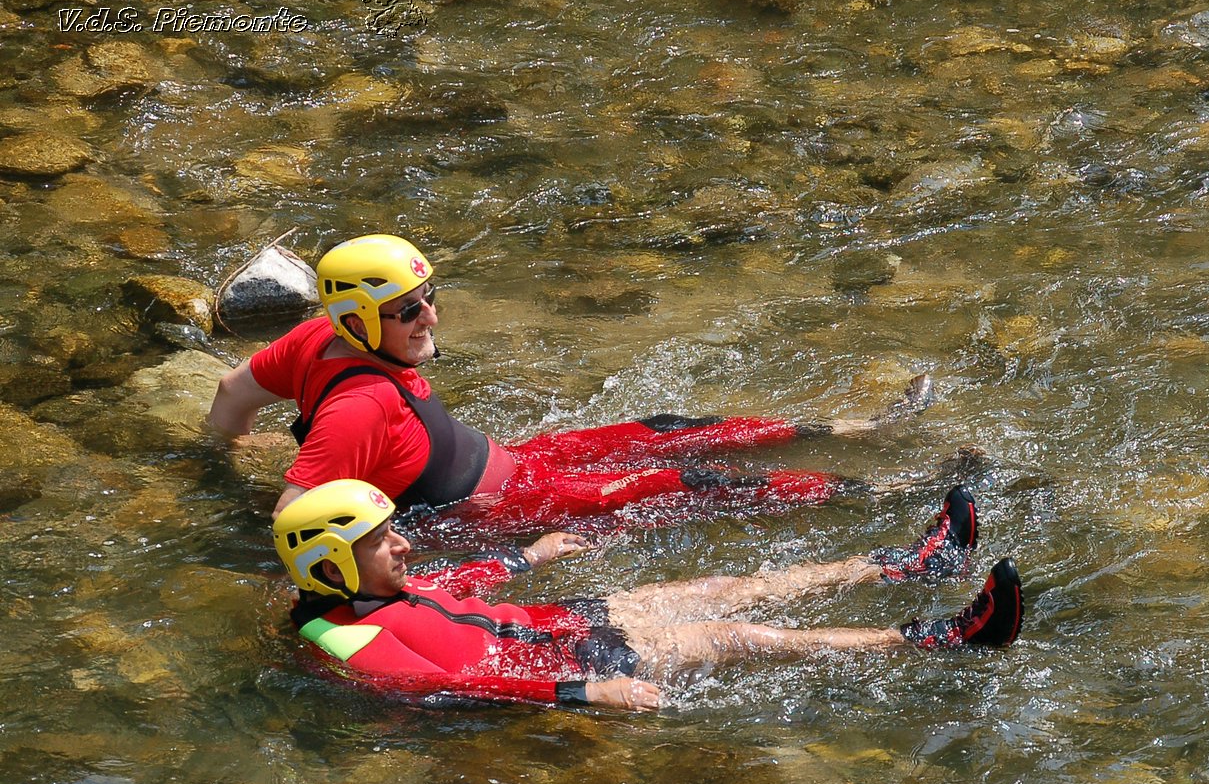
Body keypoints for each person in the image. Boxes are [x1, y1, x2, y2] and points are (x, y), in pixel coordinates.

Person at [210, 233, 934, 530]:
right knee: (700, 484)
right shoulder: (358, 410)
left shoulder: (316, 334)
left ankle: (860, 430)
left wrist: (227, 455)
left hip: (521, 456)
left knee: (668, 430)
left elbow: (231, 395)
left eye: (430, 297)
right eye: (407, 311)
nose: (430, 317)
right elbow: (294, 517)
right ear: (359, 319)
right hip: (503, 508)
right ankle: (892, 492)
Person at [273, 479, 1023, 711]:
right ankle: (941, 638)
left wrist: (525, 555)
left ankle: (906, 564)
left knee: (728, 586)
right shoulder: (347, 641)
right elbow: (464, 682)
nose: (401, 543)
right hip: (588, 656)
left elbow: (453, 584)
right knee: (739, 635)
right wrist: (586, 694)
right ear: (333, 567)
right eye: (379, 539)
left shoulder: (379, 586)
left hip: (577, 619)